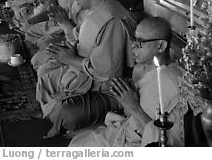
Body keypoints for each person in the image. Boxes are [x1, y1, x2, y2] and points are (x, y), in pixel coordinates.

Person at [35, 0, 137, 138]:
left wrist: (71, 59)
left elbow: (107, 72)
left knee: (66, 114)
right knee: (45, 77)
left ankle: (72, 118)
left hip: (108, 90)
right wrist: (67, 52)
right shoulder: (96, 11)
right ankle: (59, 114)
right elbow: (80, 39)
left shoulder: (112, 19)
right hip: (83, 75)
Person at [69, 16, 183, 147]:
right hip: (124, 132)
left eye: (141, 42)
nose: (133, 46)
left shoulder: (170, 83)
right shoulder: (140, 70)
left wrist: (133, 106)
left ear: (160, 46)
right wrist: (126, 101)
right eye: (134, 39)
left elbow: (162, 142)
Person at [30, 0, 96, 71]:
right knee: (37, 52)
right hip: (67, 33)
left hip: (78, 51)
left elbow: (80, 40)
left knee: (43, 60)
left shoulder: (91, 7)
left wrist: (64, 22)